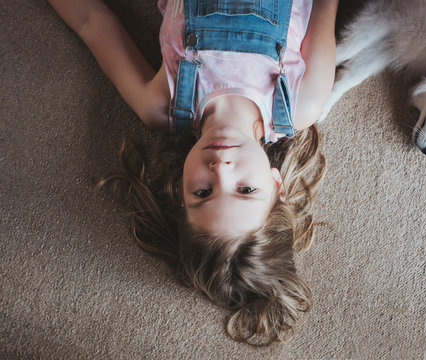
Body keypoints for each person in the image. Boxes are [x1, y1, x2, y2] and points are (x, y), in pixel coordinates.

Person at [48, 0, 338, 345]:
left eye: (203, 193)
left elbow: (89, 21)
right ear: (277, 184)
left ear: (180, 192)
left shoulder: (160, 105)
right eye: (246, 190)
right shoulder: (302, 102)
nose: (221, 170)